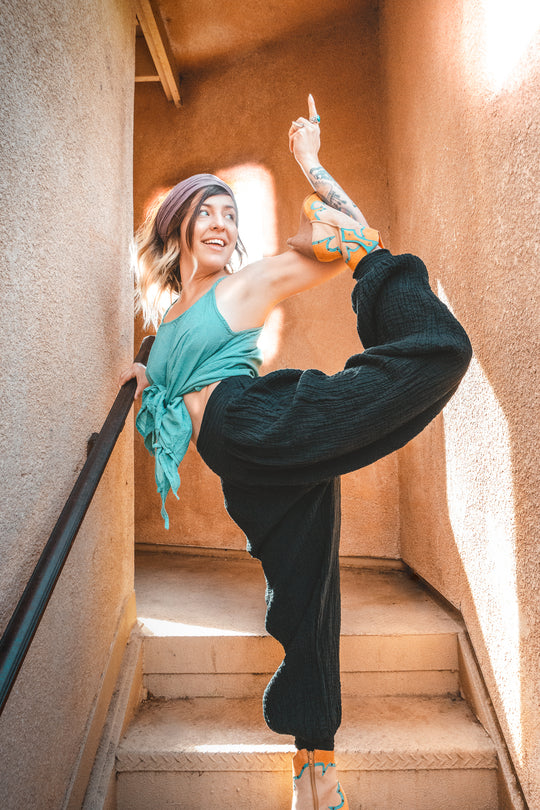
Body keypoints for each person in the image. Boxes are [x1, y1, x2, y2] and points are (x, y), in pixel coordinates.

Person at [119, 95, 472, 810]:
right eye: (207, 211)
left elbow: (343, 237)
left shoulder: (245, 285)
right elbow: (160, 391)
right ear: (177, 223)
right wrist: (140, 375)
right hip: (250, 465)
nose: (221, 224)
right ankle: (313, 771)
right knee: (304, 598)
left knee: (438, 352)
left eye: (230, 214)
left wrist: (312, 169)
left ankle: (321, 778)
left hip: (260, 422)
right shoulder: (168, 320)